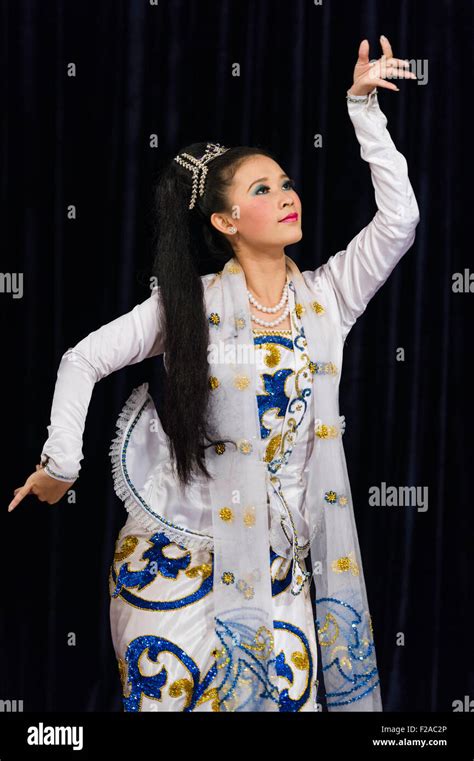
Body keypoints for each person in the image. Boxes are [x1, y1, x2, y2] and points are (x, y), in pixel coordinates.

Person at [8, 36, 419, 712]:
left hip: (278, 572)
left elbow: (400, 221)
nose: (287, 195)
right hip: (175, 567)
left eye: (286, 182)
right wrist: (61, 462)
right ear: (227, 220)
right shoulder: (187, 308)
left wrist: (362, 110)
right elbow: (81, 359)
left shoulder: (330, 297)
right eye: (264, 188)